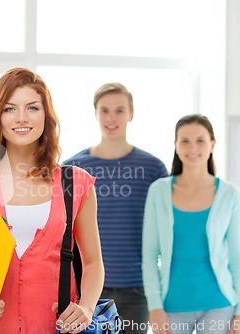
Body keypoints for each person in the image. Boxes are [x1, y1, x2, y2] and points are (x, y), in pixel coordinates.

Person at [0, 67, 104, 334]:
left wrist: (86, 307)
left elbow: (93, 262)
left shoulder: (76, 184)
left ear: (46, 115)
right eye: (9, 108)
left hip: (54, 327)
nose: (21, 118)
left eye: (32, 108)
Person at [63, 82, 167, 334]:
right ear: (95, 113)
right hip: (83, 291)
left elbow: (165, 231)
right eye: (104, 110)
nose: (111, 118)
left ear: (131, 114)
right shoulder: (72, 168)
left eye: (119, 110)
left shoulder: (153, 169)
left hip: (136, 289)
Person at [142, 114, 240, 334]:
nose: (193, 148)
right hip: (170, 307)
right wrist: (154, 307)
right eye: (185, 141)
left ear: (212, 144)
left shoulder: (230, 194)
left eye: (200, 140)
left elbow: (237, 256)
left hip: (219, 304)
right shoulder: (158, 191)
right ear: (176, 146)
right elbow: (150, 255)